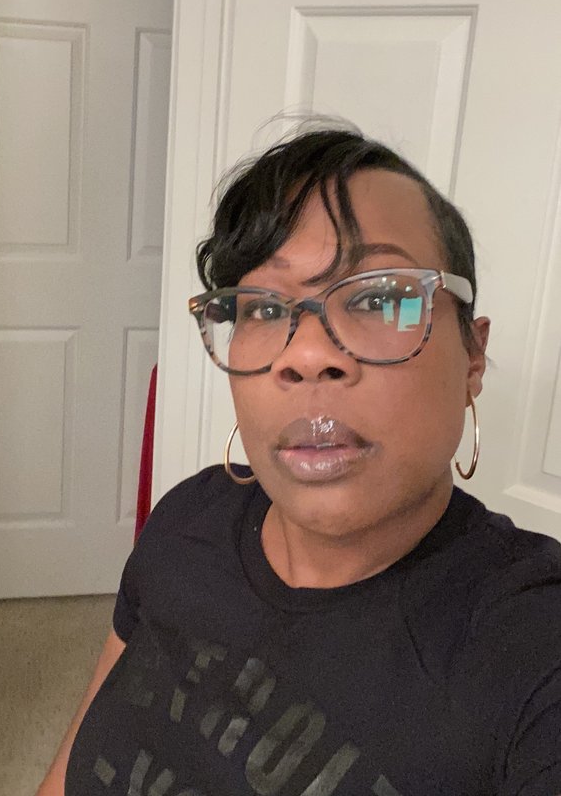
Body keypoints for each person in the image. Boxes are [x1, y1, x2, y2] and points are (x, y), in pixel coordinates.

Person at [36, 117, 561, 796]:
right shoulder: (187, 518)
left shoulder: (530, 650)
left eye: (380, 297)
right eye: (261, 308)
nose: (307, 354)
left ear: (473, 356)